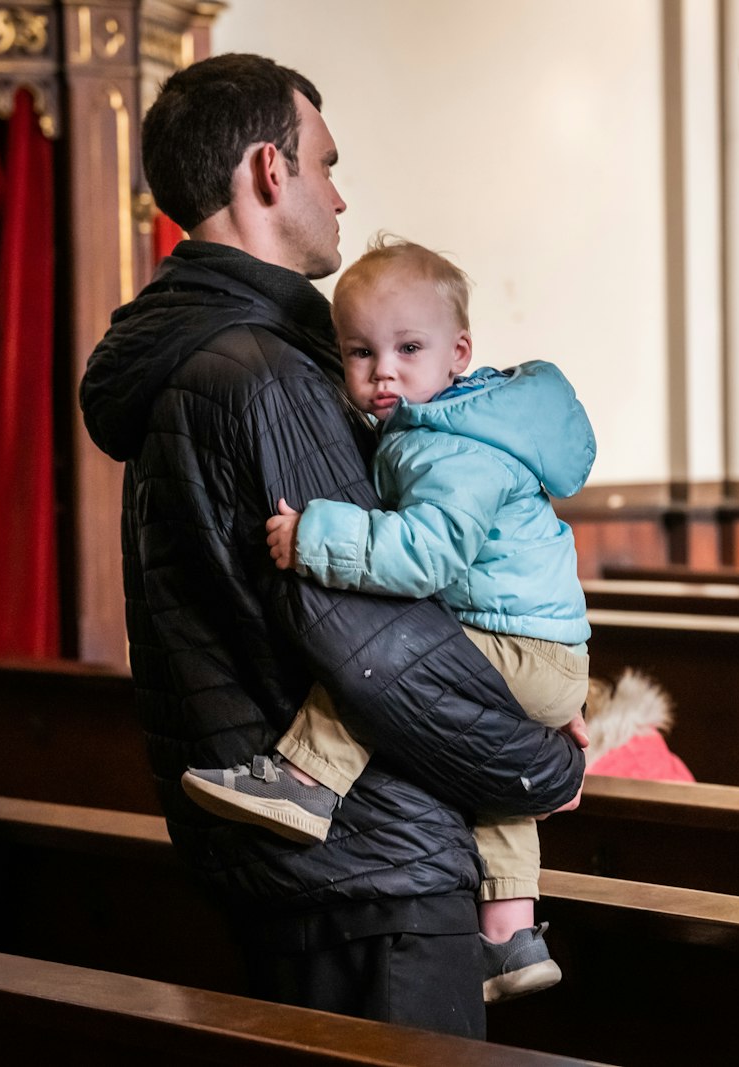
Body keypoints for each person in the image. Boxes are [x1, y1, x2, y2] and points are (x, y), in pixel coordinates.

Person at [77, 54, 584, 1040]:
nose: (340, 195)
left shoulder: (206, 351)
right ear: (270, 172)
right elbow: (379, 649)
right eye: (325, 163)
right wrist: (540, 764)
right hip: (372, 870)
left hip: (319, 870)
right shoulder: (263, 371)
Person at [181, 236, 596, 1004]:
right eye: (360, 352)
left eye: (408, 348)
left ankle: (307, 776)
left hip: (518, 646)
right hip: (545, 655)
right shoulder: (448, 427)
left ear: (458, 351)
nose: (383, 372)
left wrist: (315, 534)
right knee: (494, 789)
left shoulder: (455, 449)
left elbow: (428, 555)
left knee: (380, 669)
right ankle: (511, 934)